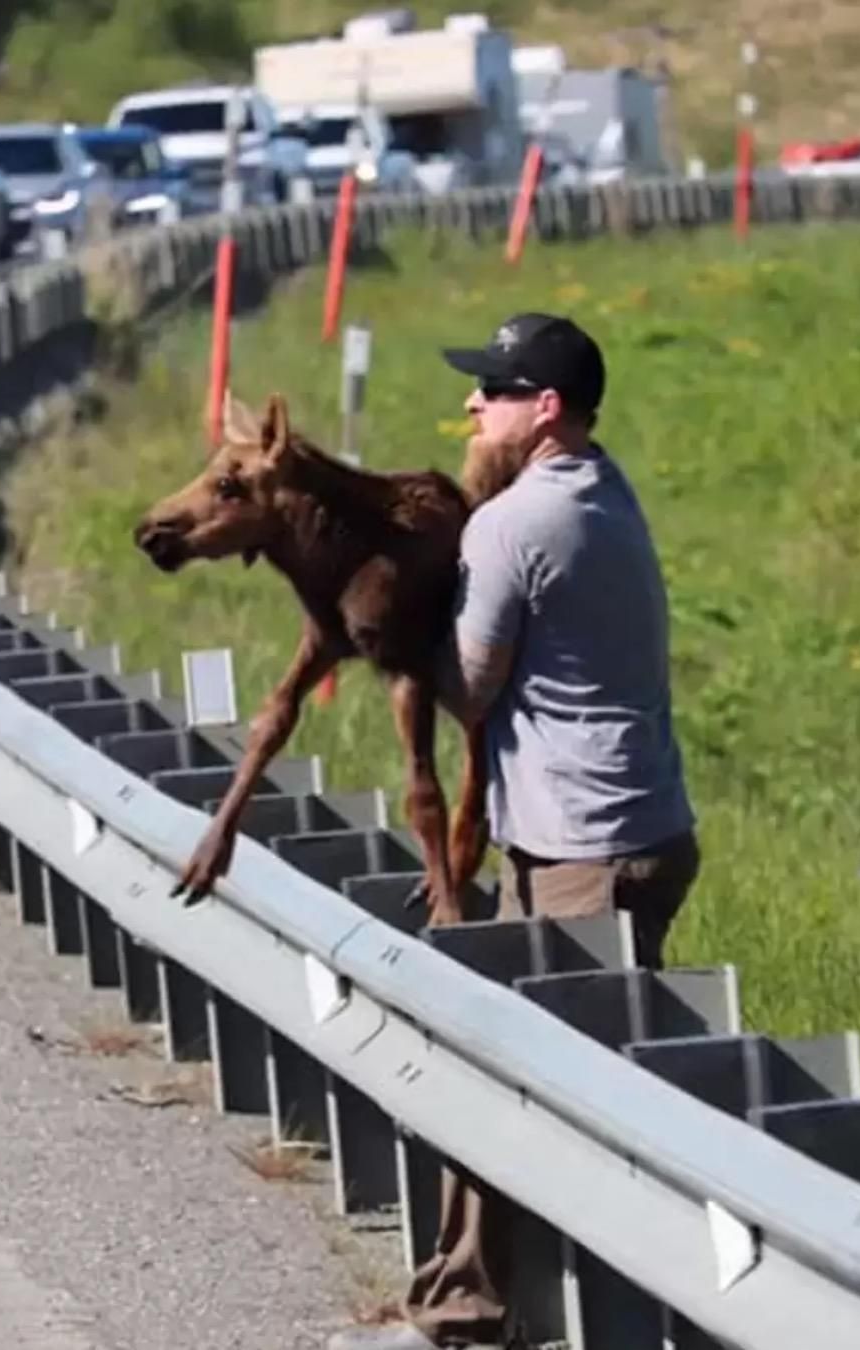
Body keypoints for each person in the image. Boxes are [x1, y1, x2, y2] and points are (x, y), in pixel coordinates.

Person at [325, 312, 700, 1350]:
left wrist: (392, 632)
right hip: (627, 826)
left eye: (490, 390)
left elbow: (472, 684)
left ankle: (472, 1316)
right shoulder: (602, 487)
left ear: (544, 411)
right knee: (526, 1078)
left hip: (587, 846)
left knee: (514, 1085)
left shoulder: (514, 524)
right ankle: (486, 1307)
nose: (469, 406)